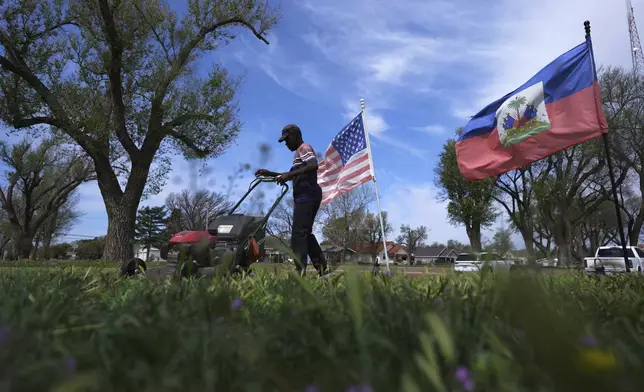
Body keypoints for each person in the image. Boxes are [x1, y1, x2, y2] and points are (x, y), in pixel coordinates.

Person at [255, 124, 329, 277]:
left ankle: (300, 270)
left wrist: (289, 176)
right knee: (305, 233)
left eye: (287, 140)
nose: (286, 144)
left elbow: (313, 165)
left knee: (298, 234)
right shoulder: (297, 155)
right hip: (306, 196)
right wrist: (270, 173)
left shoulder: (304, 148)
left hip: (308, 195)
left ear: (295, 135)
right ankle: (322, 269)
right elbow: (291, 174)